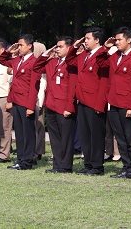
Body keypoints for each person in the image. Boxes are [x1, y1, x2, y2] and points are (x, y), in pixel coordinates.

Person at [65, 27, 109, 176]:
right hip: (82, 100)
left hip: (94, 101)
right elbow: (69, 60)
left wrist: (100, 104)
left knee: (96, 135)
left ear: (97, 40)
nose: (86, 41)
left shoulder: (102, 55)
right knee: (85, 135)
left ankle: (97, 166)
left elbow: (104, 82)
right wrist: (75, 46)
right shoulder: (84, 54)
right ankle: (88, 163)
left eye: (88, 38)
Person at [104, 27, 131, 179]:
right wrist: (105, 47)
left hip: (127, 104)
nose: (117, 42)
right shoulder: (115, 56)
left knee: (130, 137)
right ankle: (126, 166)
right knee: (120, 137)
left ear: (129, 40)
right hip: (114, 102)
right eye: (116, 40)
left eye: (119, 39)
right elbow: (101, 63)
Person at [33, 36, 77, 173]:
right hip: (51, 105)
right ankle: (57, 164)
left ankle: (66, 166)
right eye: (56, 46)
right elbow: (36, 67)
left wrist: (69, 107)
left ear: (69, 48)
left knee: (66, 138)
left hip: (64, 107)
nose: (57, 49)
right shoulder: (53, 62)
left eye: (60, 46)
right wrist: (47, 53)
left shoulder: (71, 63)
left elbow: (72, 87)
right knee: (54, 137)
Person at [0, 34, 41, 170]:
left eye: (21, 45)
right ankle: (21, 158)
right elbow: (3, 60)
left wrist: (30, 106)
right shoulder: (17, 60)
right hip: (16, 101)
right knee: (20, 133)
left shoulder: (34, 61)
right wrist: (10, 50)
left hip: (26, 101)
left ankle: (28, 160)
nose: (19, 47)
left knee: (28, 133)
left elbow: (34, 86)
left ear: (30, 46)